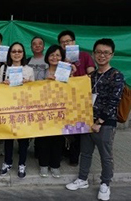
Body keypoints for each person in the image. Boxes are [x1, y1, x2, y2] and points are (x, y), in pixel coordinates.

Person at [66, 39, 124, 201]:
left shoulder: (116, 75)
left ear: (112, 55)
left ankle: (105, 184)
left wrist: (99, 122)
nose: (102, 55)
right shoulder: (90, 76)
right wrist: (71, 73)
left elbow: (114, 101)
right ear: (93, 54)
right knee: (85, 153)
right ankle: (82, 179)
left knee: (106, 155)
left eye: (106, 52)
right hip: (86, 121)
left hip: (104, 124)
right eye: (98, 52)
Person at [58, 30, 96, 166]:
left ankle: (74, 157)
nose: (65, 44)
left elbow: (92, 74)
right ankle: (63, 152)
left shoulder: (85, 56)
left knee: (79, 129)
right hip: (64, 100)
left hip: (81, 99)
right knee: (63, 128)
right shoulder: (59, 59)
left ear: (74, 42)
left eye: (68, 41)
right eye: (63, 42)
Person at [37, 45, 75, 178]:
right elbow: (34, 89)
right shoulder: (42, 72)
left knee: (58, 139)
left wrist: (72, 75)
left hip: (61, 111)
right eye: (52, 55)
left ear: (62, 57)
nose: (54, 57)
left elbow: (72, 89)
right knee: (43, 139)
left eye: (58, 55)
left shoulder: (66, 72)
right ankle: (43, 165)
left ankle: (55, 166)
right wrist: (45, 82)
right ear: (47, 57)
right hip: (43, 111)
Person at [0, 42, 34, 178]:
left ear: (23, 53)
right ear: (9, 54)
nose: (17, 54)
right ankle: (7, 163)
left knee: (23, 139)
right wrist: (3, 84)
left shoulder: (29, 70)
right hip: (8, 107)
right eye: (14, 51)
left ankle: (22, 164)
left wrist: (28, 83)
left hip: (23, 108)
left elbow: (34, 90)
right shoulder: (4, 69)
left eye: (19, 51)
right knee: (8, 138)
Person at [26, 36, 49, 159]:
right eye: (34, 44)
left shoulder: (49, 60)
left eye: (40, 43)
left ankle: (39, 150)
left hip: (45, 98)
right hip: (29, 98)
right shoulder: (27, 61)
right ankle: (24, 146)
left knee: (42, 125)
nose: (37, 46)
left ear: (44, 46)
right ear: (31, 47)